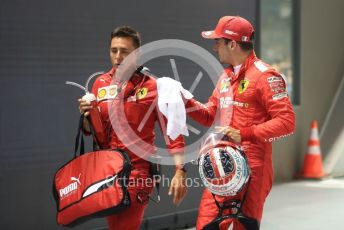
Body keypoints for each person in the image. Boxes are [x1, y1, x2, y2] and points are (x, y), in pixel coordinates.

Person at [185, 16, 295, 229]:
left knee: (245, 226)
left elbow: (287, 122)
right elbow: (210, 115)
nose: (215, 47)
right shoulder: (226, 76)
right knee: (205, 225)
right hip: (222, 165)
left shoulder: (265, 76)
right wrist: (183, 101)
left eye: (218, 41)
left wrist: (245, 133)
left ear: (232, 43)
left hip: (254, 168)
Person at [78, 26, 187, 230]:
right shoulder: (100, 84)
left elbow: (173, 133)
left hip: (138, 172)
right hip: (108, 171)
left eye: (124, 51)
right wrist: (86, 116)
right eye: (114, 50)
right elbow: (94, 131)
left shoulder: (154, 87)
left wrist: (180, 170)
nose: (118, 57)